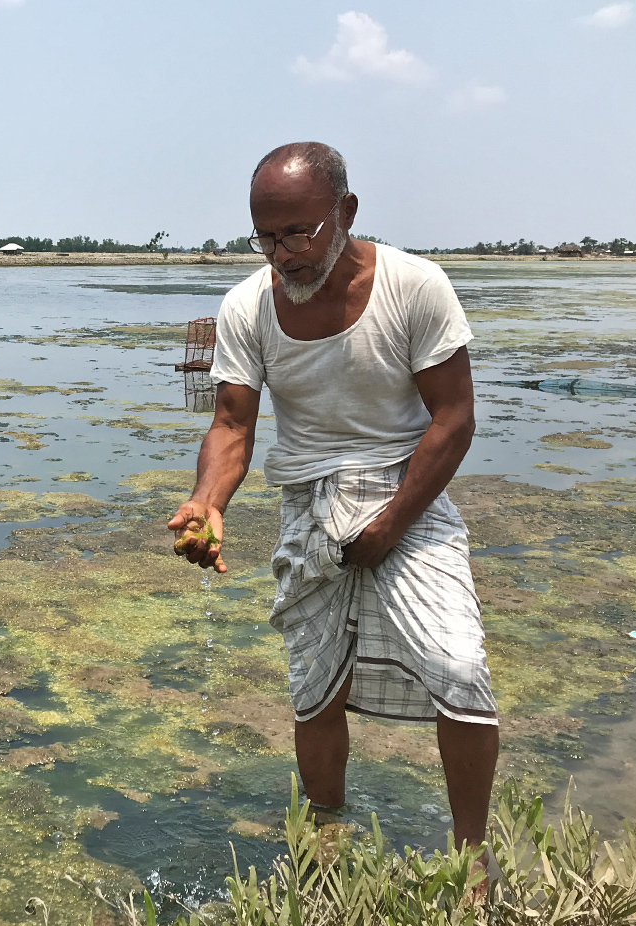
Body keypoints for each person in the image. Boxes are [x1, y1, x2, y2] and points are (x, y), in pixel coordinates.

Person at [168, 141, 498, 857]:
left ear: (345, 212)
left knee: (460, 668)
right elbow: (231, 423)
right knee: (314, 687)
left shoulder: (415, 286)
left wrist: (394, 520)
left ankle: (473, 858)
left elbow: (454, 419)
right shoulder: (248, 306)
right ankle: (325, 839)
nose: (282, 254)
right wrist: (209, 501)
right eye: (266, 236)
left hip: (408, 490)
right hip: (310, 503)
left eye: (299, 232)